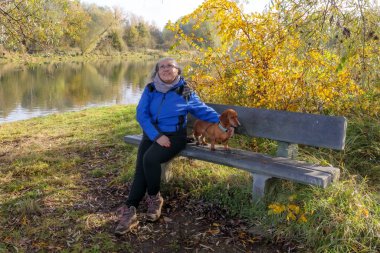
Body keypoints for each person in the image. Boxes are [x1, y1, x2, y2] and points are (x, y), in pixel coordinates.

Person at [114, 57, 220, 235]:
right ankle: (130, 210)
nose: (165, 69)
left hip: (174, 136)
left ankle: (155, 198)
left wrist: (222, 121)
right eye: (161, 66)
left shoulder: (184, 91)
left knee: (149, 159)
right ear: (157, 72)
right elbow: (141, 115)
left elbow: (201, 109)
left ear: (178, 71)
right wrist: (156, 135)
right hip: (153, 135)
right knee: (141, 170)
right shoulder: (150, 89)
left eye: (170, 66)